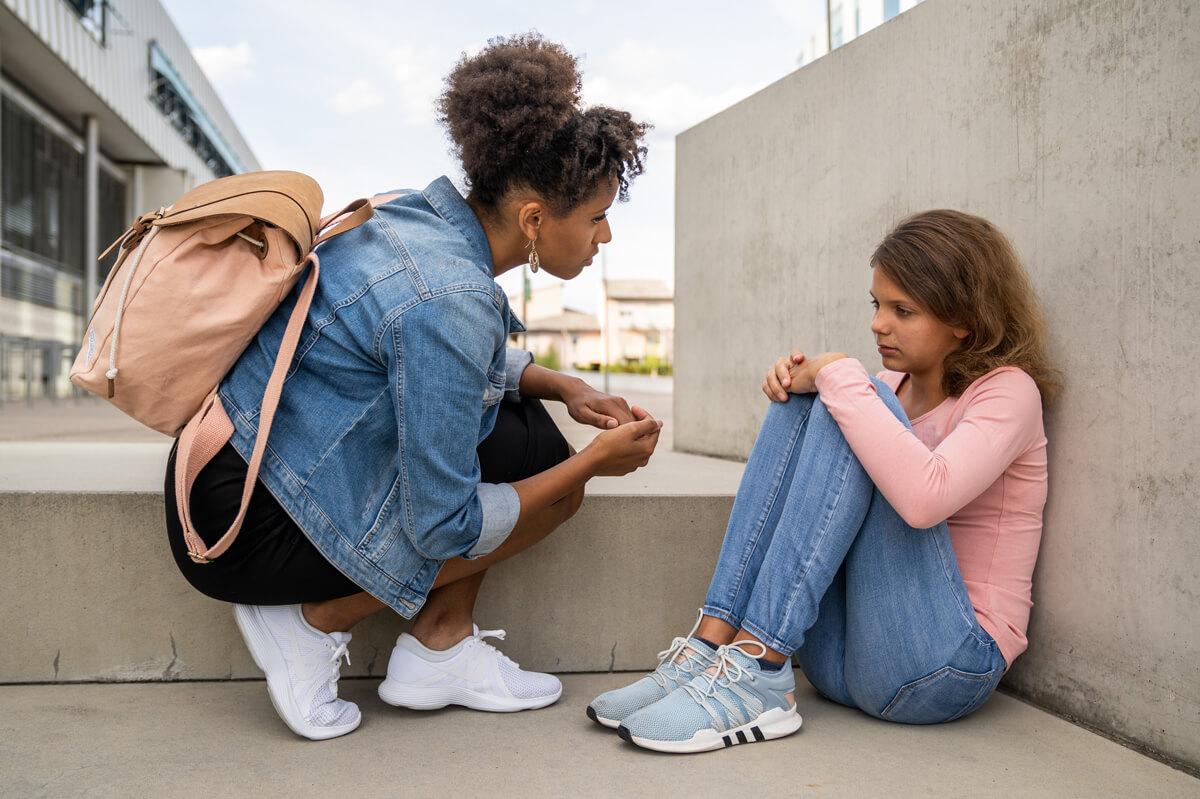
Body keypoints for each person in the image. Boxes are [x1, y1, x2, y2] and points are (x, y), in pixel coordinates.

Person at [164, 33, 660, 740]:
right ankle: (308, 625)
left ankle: (440, 645)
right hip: (245, 521)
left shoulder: (415, 214)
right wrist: (592, 465)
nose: (604, 236)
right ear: (532, 220)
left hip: (238, 456)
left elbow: (446, 364)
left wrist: (562, 383)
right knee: (556, 482)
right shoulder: (448, 296)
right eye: (596, 217)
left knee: (529, 437)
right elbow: (446, 525)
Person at [589, 209, 1060, 753]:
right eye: (877, 304)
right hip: (840, 663)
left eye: (902, 310)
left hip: (948, 666)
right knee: (820, 397)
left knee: (850, 394)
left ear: (964, 320)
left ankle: (759, 666)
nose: (878, 324)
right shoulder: (891, 382)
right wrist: (808, 382)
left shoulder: (1008, 392)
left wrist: (837, 374)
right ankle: (714, 646)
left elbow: (926, 497)